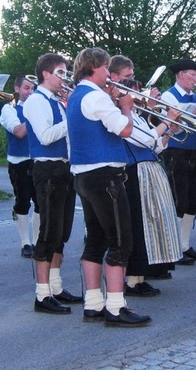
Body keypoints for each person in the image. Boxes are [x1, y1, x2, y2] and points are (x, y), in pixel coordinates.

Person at [67, 47, 151, 327]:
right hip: (105, 176)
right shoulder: (96, 96)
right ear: (94, 68)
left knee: (96, 240)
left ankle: (93, 303)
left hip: (84, 174)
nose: (108, 74)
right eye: (105, 68)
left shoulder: (78, 95)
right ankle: (116, 307)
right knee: (120, 241)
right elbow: (125, 130)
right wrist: (126, 106)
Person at [110, 69, 182, 297]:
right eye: (137, 94)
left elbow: (156, 145)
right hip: (136, 173)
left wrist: (169, 131)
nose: (141, 98)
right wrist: (168, 120)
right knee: (140, 225)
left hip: (149, 170)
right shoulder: (123, 117)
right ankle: (132, 280)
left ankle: (141, 277)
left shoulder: (138, 116)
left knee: (153, 224)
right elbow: (145, 139)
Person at [22, 54, 82, 314]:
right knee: (48, 232)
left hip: (64, 168)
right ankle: (42, 294)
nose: (65, 78)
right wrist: (72, 118)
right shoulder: (36, 100)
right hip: (47, 168)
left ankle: (56, 286)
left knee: (61, 231)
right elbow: (46, 137)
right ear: (45, 74)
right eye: (61, 72)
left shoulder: (56, 101)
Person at [161, 59, 196, 265]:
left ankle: (184, 245)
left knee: (193, 201)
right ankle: (174, 248)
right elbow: (177, 126)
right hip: (176, 151)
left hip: (194, 151)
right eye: (192, 75)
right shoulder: (168, 96)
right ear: (181, 75)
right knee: (179, 200)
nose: (195, 79)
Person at [0, 75, 40, 258]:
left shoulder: (37, 106)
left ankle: (39, 241)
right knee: (22, 202)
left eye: (32, 88)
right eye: (26, 88)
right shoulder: (9, 109)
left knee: (40, 203)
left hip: (38, 160)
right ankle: (25, 242)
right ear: (17, 88)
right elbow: (19, 132)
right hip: (19, 161)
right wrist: (34, 114)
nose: (29, 92)